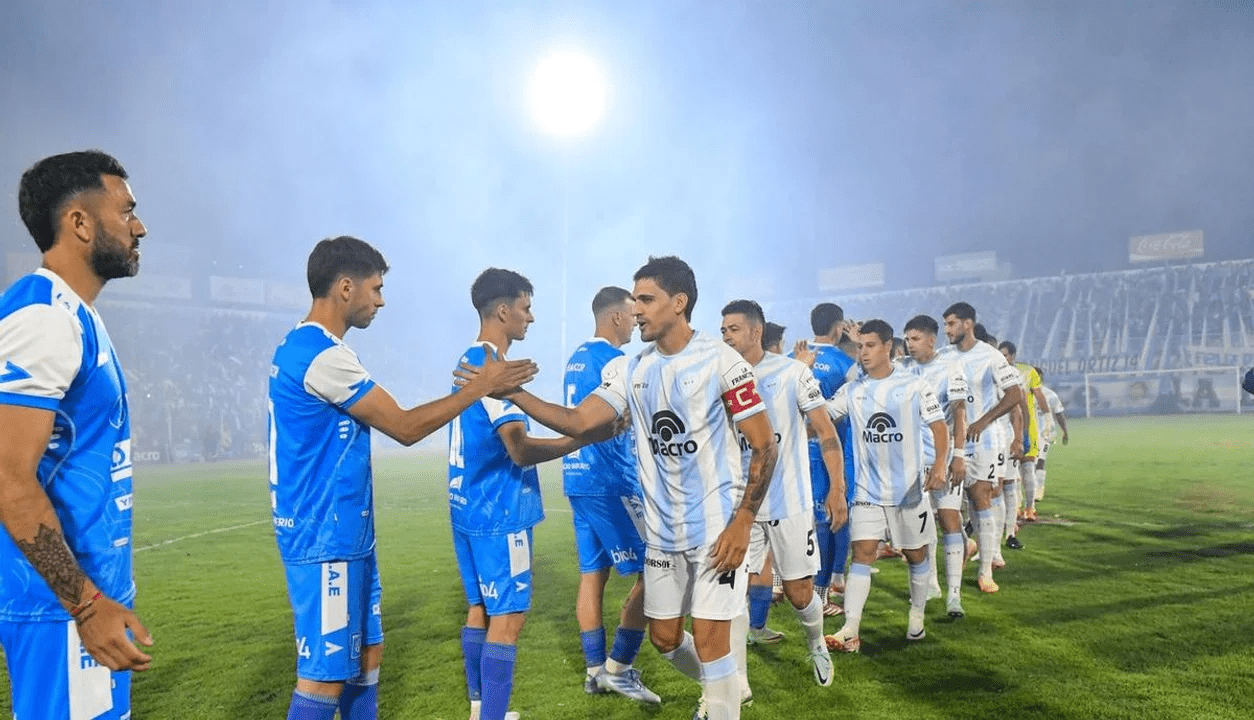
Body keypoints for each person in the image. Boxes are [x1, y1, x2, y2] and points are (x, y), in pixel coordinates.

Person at [268, 239, 537, 720]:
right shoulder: (320, 354)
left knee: (366, 660)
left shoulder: (307, 346)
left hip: (347, 534)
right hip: (324, 537)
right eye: (376, 288)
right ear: (345, 287)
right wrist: (482, 385)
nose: (380, 300)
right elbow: (406, 427)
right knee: (324, 677)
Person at [501, 256, 779, 720]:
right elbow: (578, 421)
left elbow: (764, 444)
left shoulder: (721, 361)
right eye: (634, 303)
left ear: (680, 302)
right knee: (665, 639)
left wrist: (743, 522)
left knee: (711, 641)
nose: (636, 312)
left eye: (646, 301)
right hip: (663, 532)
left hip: (716, 526)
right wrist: (513, 393)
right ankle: (725, 692)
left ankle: (720, 703)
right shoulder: (631, 369)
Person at [0, 150, 151, 720]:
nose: (140, 226)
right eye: (127, 211)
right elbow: (8, 478)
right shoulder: (42, 319)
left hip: (86, 599)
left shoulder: (74, 313)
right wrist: (85, 607)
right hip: (59, 610)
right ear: (80, 223)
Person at [450, 268, 591, 720]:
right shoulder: (494, 370)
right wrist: (576, 441)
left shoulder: (470, 359)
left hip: (466, 505)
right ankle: (491, 715)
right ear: (504, 310)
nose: (531, 317)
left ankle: (479, 707)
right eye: (526, 308)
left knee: (479, 607)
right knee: (508, 619)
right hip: (499, 511)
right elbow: (519, 449)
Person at [720, 300, 845, 690]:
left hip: (789, 501)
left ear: (756, 332)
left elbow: (826, 432)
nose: (726, 336)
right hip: (740, 505)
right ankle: (737, 683)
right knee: (731, 592)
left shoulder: (792, 372)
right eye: (723, 330)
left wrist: (837, 489)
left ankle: (815, 645)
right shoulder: (718, 377)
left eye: (734, 329)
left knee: (798, 592)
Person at [822, 320, 948, 653]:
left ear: (888, 347)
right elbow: (821, 420)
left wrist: (939, 466)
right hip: (867, 491)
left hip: (908, 491)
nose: (863, 352)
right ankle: (850, 628)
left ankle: (916, 617)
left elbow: (939, 428)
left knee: (916, 555)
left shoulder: (913, 386)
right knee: (861, 553)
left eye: (870, 346)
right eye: (860, 346)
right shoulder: (853, 390)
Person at [561, 286, 659, 704]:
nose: (637, 319)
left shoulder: (575, 358)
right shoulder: (618, 362)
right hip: (611, 480)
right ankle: (620, 666)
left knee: (592, 575)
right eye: (632, 312)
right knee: (655, 570)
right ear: (617, 317)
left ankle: (594, 670)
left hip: (576, 478)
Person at [939, 303, 1023, 594]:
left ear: (968, 324)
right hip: (951, 441)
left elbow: (1014, 394)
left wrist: (984, 421)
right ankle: (965, 543)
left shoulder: (990, 356)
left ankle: (985, 570)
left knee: (981, 498)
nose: (947, 330)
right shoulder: (943, 356)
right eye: (945, 325)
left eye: (951, 324)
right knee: (944, 507)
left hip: (983, 441)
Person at [899, 315, 970, 618]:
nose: (909, 345)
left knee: (950, 519)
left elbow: (960, 412)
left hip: (942, 457)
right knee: (919, 527)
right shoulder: (902, 368)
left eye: (915, 339)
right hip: (912, 462)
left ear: (931, 339)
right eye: (907, 339)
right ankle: (931, 584)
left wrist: (959, 455)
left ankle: (954, 595)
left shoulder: (950, 370)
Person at [795, 303, 857, 617]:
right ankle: (830, 585)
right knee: (834, 515)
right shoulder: (847, 363)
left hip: (797, 450)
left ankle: (787, 582)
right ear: (838, 328)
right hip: (832, 449)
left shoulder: (795, 359)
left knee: (805, 516)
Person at [998, 342, 1049, 526]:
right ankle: (1015, 508)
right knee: (1009, 474)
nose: (1002, 358)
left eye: (1004, 355)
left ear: (1012, 356)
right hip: (1005, 430)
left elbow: (1038, 398)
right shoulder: (995, 372)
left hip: (1027, 427)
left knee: (1027, 469)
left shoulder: (1027, 372)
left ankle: (1030, 508)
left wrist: (1048, 421)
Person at [1033, 367, 1069, 502]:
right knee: (1027, 464)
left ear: (1040, 377)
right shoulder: (1023, 393)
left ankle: (1038, 491)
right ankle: (1029, 490)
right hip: (1027, 432)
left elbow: (1059, 414)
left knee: (1040, 462)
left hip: (1044, 433)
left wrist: (1065, 431)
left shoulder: (1050, 395)